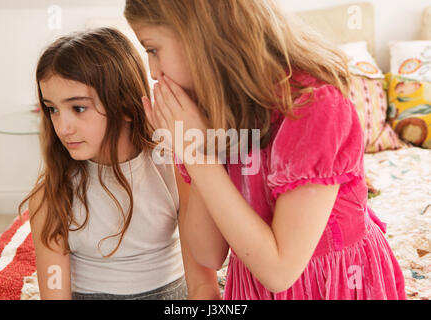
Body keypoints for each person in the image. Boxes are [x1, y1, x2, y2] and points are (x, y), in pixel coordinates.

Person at [124, 0, 407, 300]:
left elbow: (279, 271)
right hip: (254, 283)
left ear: (199, 37)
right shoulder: (206, 110)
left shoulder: (314, 106)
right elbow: (209, 253)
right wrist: (200, 148)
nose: (153, 72)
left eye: (152, 49)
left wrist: (196, 154)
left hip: (331, 283)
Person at [18, 27, 220, 300]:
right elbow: (55, 293)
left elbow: (202, 286)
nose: (62, 127)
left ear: (125, 105)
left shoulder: (174, 167)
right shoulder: (50, 193)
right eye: (52, 109)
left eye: (78, 108)